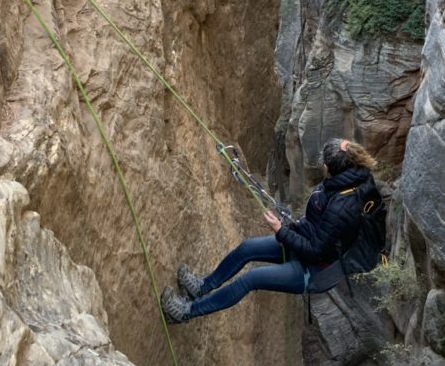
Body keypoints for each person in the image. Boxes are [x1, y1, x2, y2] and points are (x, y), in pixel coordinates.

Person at [160, 138, 378, 324]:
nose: (321, 165)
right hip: (304, 242)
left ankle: (186, 313)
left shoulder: (344, 206)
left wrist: (280, 230)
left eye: (324, 163)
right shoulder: (342, 182)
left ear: (331, 169)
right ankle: (201, 287)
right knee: (247, 248)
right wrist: (292, 228)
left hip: (313, 270)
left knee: (251, 279)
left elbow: (316, 251)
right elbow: (319, 226)